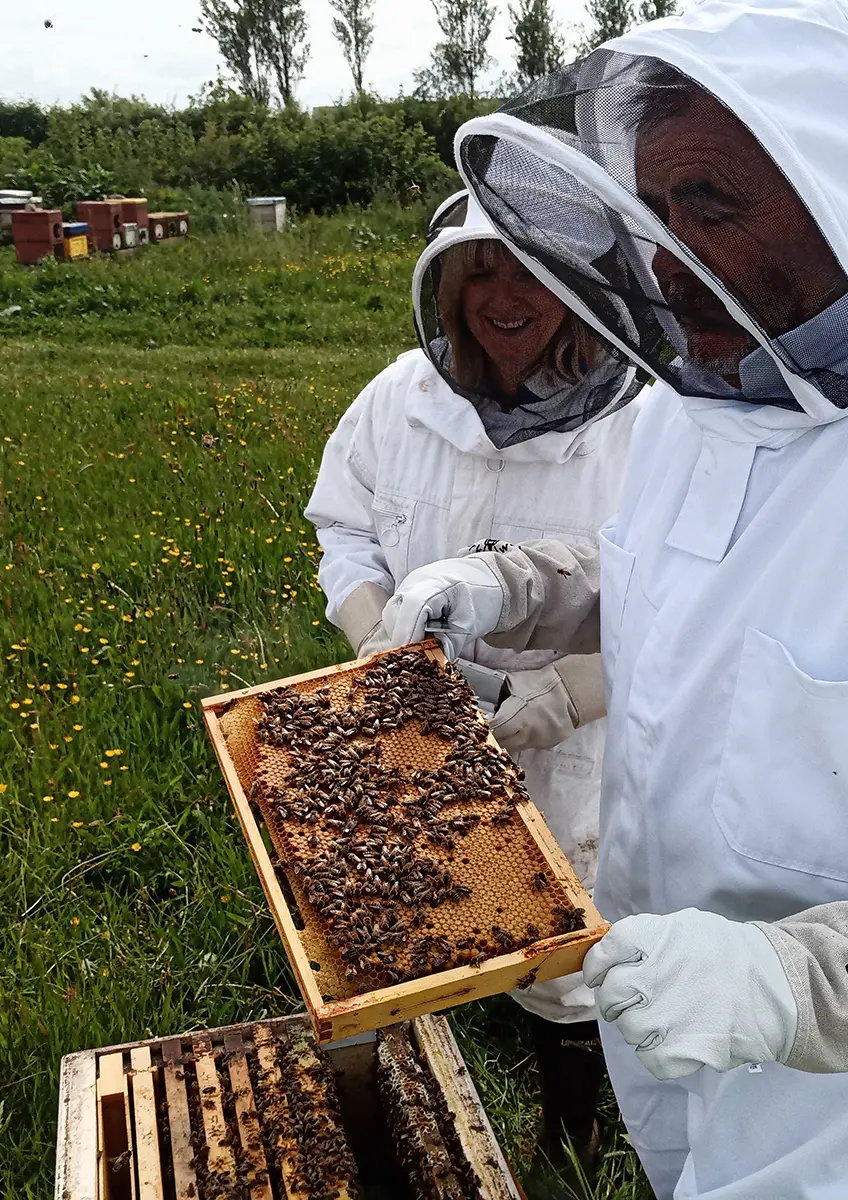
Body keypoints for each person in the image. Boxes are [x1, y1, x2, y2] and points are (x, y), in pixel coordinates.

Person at [376, 1, 848, 1197]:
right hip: (668, 1025)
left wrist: (804, 982)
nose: (659, 256)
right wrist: (506, 587)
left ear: (847, 190)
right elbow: (665, 578)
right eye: (650, 208)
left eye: (709, 205)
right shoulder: (708, 396)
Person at [304, 192, 647, 1179]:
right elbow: (345, 525)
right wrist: (375, 634)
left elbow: (697, 596)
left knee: (566, 937)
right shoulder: (398, 399)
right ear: (445, 286)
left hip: (584, 737)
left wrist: (575, 692)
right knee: (414, 901)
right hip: (415, 715)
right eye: (481, 270)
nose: (508, 295)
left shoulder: (651, 421)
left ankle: (576, 1129)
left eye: (534, 269)